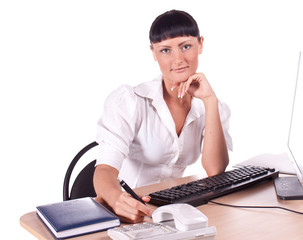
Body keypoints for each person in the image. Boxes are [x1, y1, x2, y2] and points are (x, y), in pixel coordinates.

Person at [93, 9, 232, 223]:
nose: (178, 59)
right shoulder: (131, 100)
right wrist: (117, 199)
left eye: (186, 46)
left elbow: (216, 170)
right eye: (165, 50)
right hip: (127, 212)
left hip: (170, 212)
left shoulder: (210, 106)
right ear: (153, 53)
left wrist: (210, 101)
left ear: (200, 44)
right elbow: (104, 169)